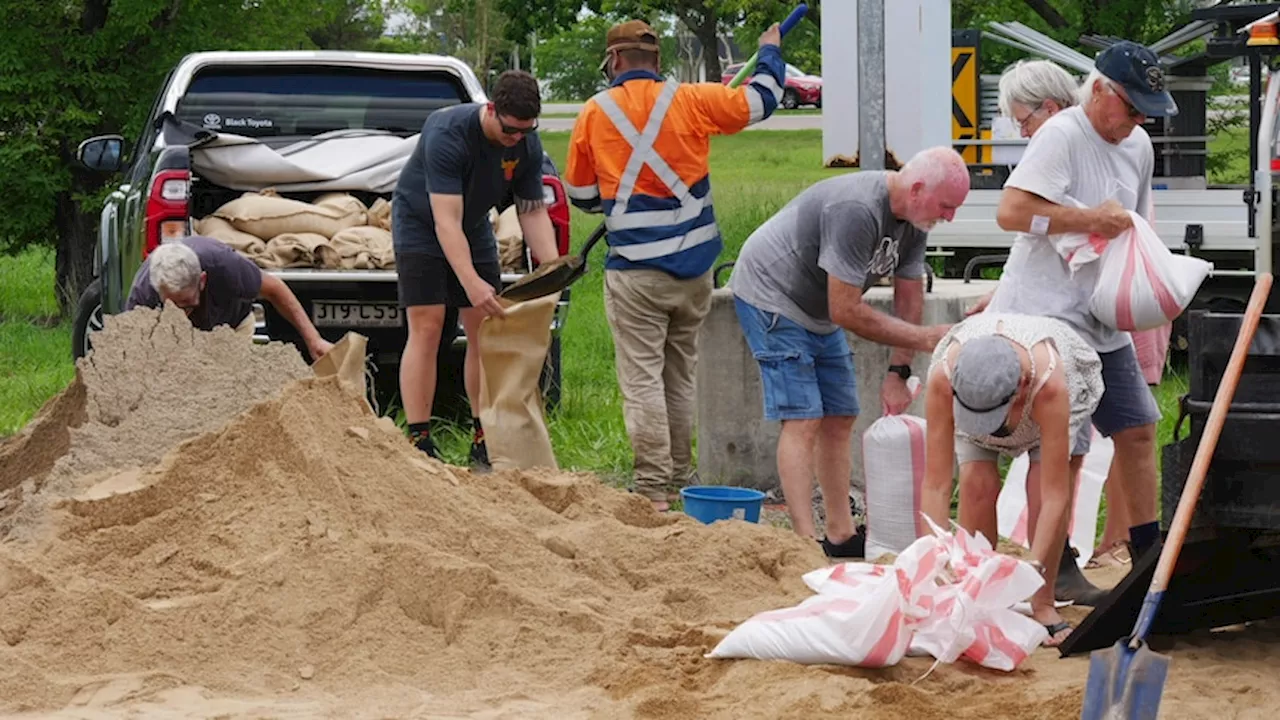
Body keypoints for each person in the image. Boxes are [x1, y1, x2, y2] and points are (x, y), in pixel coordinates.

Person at [563, 19, 789, 511]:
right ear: (658, 62)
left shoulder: (595, 113)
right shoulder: (692, 99)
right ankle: (684, 480)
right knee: (679, 377)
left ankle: (651, 491)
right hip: (695, 272)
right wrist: (769, 51)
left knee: (642, 380)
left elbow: (581, 196)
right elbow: (761, 101)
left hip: (636, 273)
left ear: (615, 61)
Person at [988, 40, 1177, 575]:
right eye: (1132, 107)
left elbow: (1133, 228)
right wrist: (1090, 219)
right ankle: (1055, 565)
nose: (1138, 120)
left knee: (1138, 427)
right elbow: (1012, 211)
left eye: (1146, 111)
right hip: (1047, 317)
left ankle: (1145, 558)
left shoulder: (1138, 144)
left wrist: (1150, 286)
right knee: (1060, 449)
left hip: (1101, 316)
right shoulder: (1061, 136)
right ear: (1098, 90)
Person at [727, 145, 970, 557]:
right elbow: (846, 309)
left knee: (841, 414)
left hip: (820, 309)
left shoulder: (914, 221)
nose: (950, 217)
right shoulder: (857, 208)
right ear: (915, 189)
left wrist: (899, 372)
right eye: (947, 206)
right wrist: (924, 338)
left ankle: (839, 533)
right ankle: (804, 541)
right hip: (773, 295)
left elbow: (908, 298)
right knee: (803, 418)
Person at [974, 57, 1117, 604]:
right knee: (1044, 453)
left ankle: (1044, 571)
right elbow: (1021, 228)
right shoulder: (1060, 146)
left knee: (1061, 452)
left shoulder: (1062, 144)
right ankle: (1031, 575)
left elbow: (1026, 221)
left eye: (1021, 119)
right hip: (1036, 321)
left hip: (1064, 324)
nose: (1020, 132)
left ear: (1049, 109)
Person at [391, 69, 563, 467]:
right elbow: (444, 221)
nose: (516, 139)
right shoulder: (447, 132)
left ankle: (484, 436)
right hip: (422, 223)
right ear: (491, 110)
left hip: (473, 224)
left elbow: (532, 212)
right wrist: (470, 283)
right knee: (429, 325)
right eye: (509, 130)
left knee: (485, 329)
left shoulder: (526, 143)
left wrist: (553, 271)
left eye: (526, 130)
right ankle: (419, 440)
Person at [921, 312, 1103, 646]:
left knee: (1038, 490)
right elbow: (935, 484)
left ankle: (1044, 603)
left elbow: (1054, 496)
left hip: (1043, 406)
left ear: (1020, 387)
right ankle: (976, 592)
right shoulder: (945, 379)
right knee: (977, 483)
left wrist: (1033, 568)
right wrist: (932, 565)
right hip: (983, 395)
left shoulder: (1052, 383)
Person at [125, 236, 333, 361]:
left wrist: (314, 340)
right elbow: (132, 353)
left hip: (232, 324)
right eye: (173, 307)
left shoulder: (225, 266)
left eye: (187, 305)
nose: (182, 316)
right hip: (171, 340)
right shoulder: (143, 295)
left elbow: (275, 289)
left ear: (203, 280)